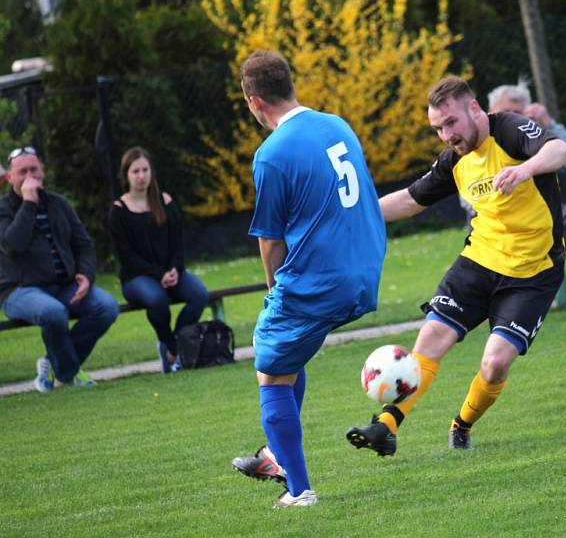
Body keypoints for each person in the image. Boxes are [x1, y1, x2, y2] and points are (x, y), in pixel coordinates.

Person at [346, 76, 566, 456]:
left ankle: (462, 423)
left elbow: (560, 150)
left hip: (533, 271)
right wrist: (353, 216)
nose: (446, 135)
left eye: (450, 123)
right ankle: (385, 426)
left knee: (495, 363)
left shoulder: (511, 129)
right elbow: (411, 199)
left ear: (474, 108)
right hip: (480, 260)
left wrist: (526, 169)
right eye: (437, 128)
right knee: (431, 338)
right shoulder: (455, 160)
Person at [229, 50, 386, 508]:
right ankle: (273, 454)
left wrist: (274, 289)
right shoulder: (337, 124)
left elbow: (270, 240)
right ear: (291, 84)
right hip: (365, 267)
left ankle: (298, 490)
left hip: (324, 278)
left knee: (270, 367)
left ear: (254, 102)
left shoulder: (272, 153)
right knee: (286, 358)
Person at [486, 83, 566, 306]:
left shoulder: (533, 133)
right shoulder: (482, 140)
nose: (513, 118)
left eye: (519, 113)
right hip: (507, 219)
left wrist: (549, 124)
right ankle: (508, 303)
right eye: (508, 112)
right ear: (490, 111)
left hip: (550, 211)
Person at [0, 147, 119, 392]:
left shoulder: (58, 204)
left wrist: (86, 275)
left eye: (34, 169)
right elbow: (12, 246)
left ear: (43, 171)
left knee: (106, 307)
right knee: (53, 313)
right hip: (19, 290)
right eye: (22, 172)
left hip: (64, 285)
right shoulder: (3, 209)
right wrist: (29, 205)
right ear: (10, 177)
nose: (30, 176)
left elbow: (83, 244)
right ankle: (68, 373)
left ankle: (53, 363)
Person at [108, 146, 209, 373]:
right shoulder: (118, 211)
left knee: (199, 294)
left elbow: (178, 244)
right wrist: (158, 275)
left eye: (145, 170)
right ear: (126, 175)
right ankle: (171, 348)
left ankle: (175, 345)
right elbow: (127, 257)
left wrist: (174, 269)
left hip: (171, 273)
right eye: (136, 171)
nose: (141, 176)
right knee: (157, 300)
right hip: (137, 278)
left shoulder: (166, 201)